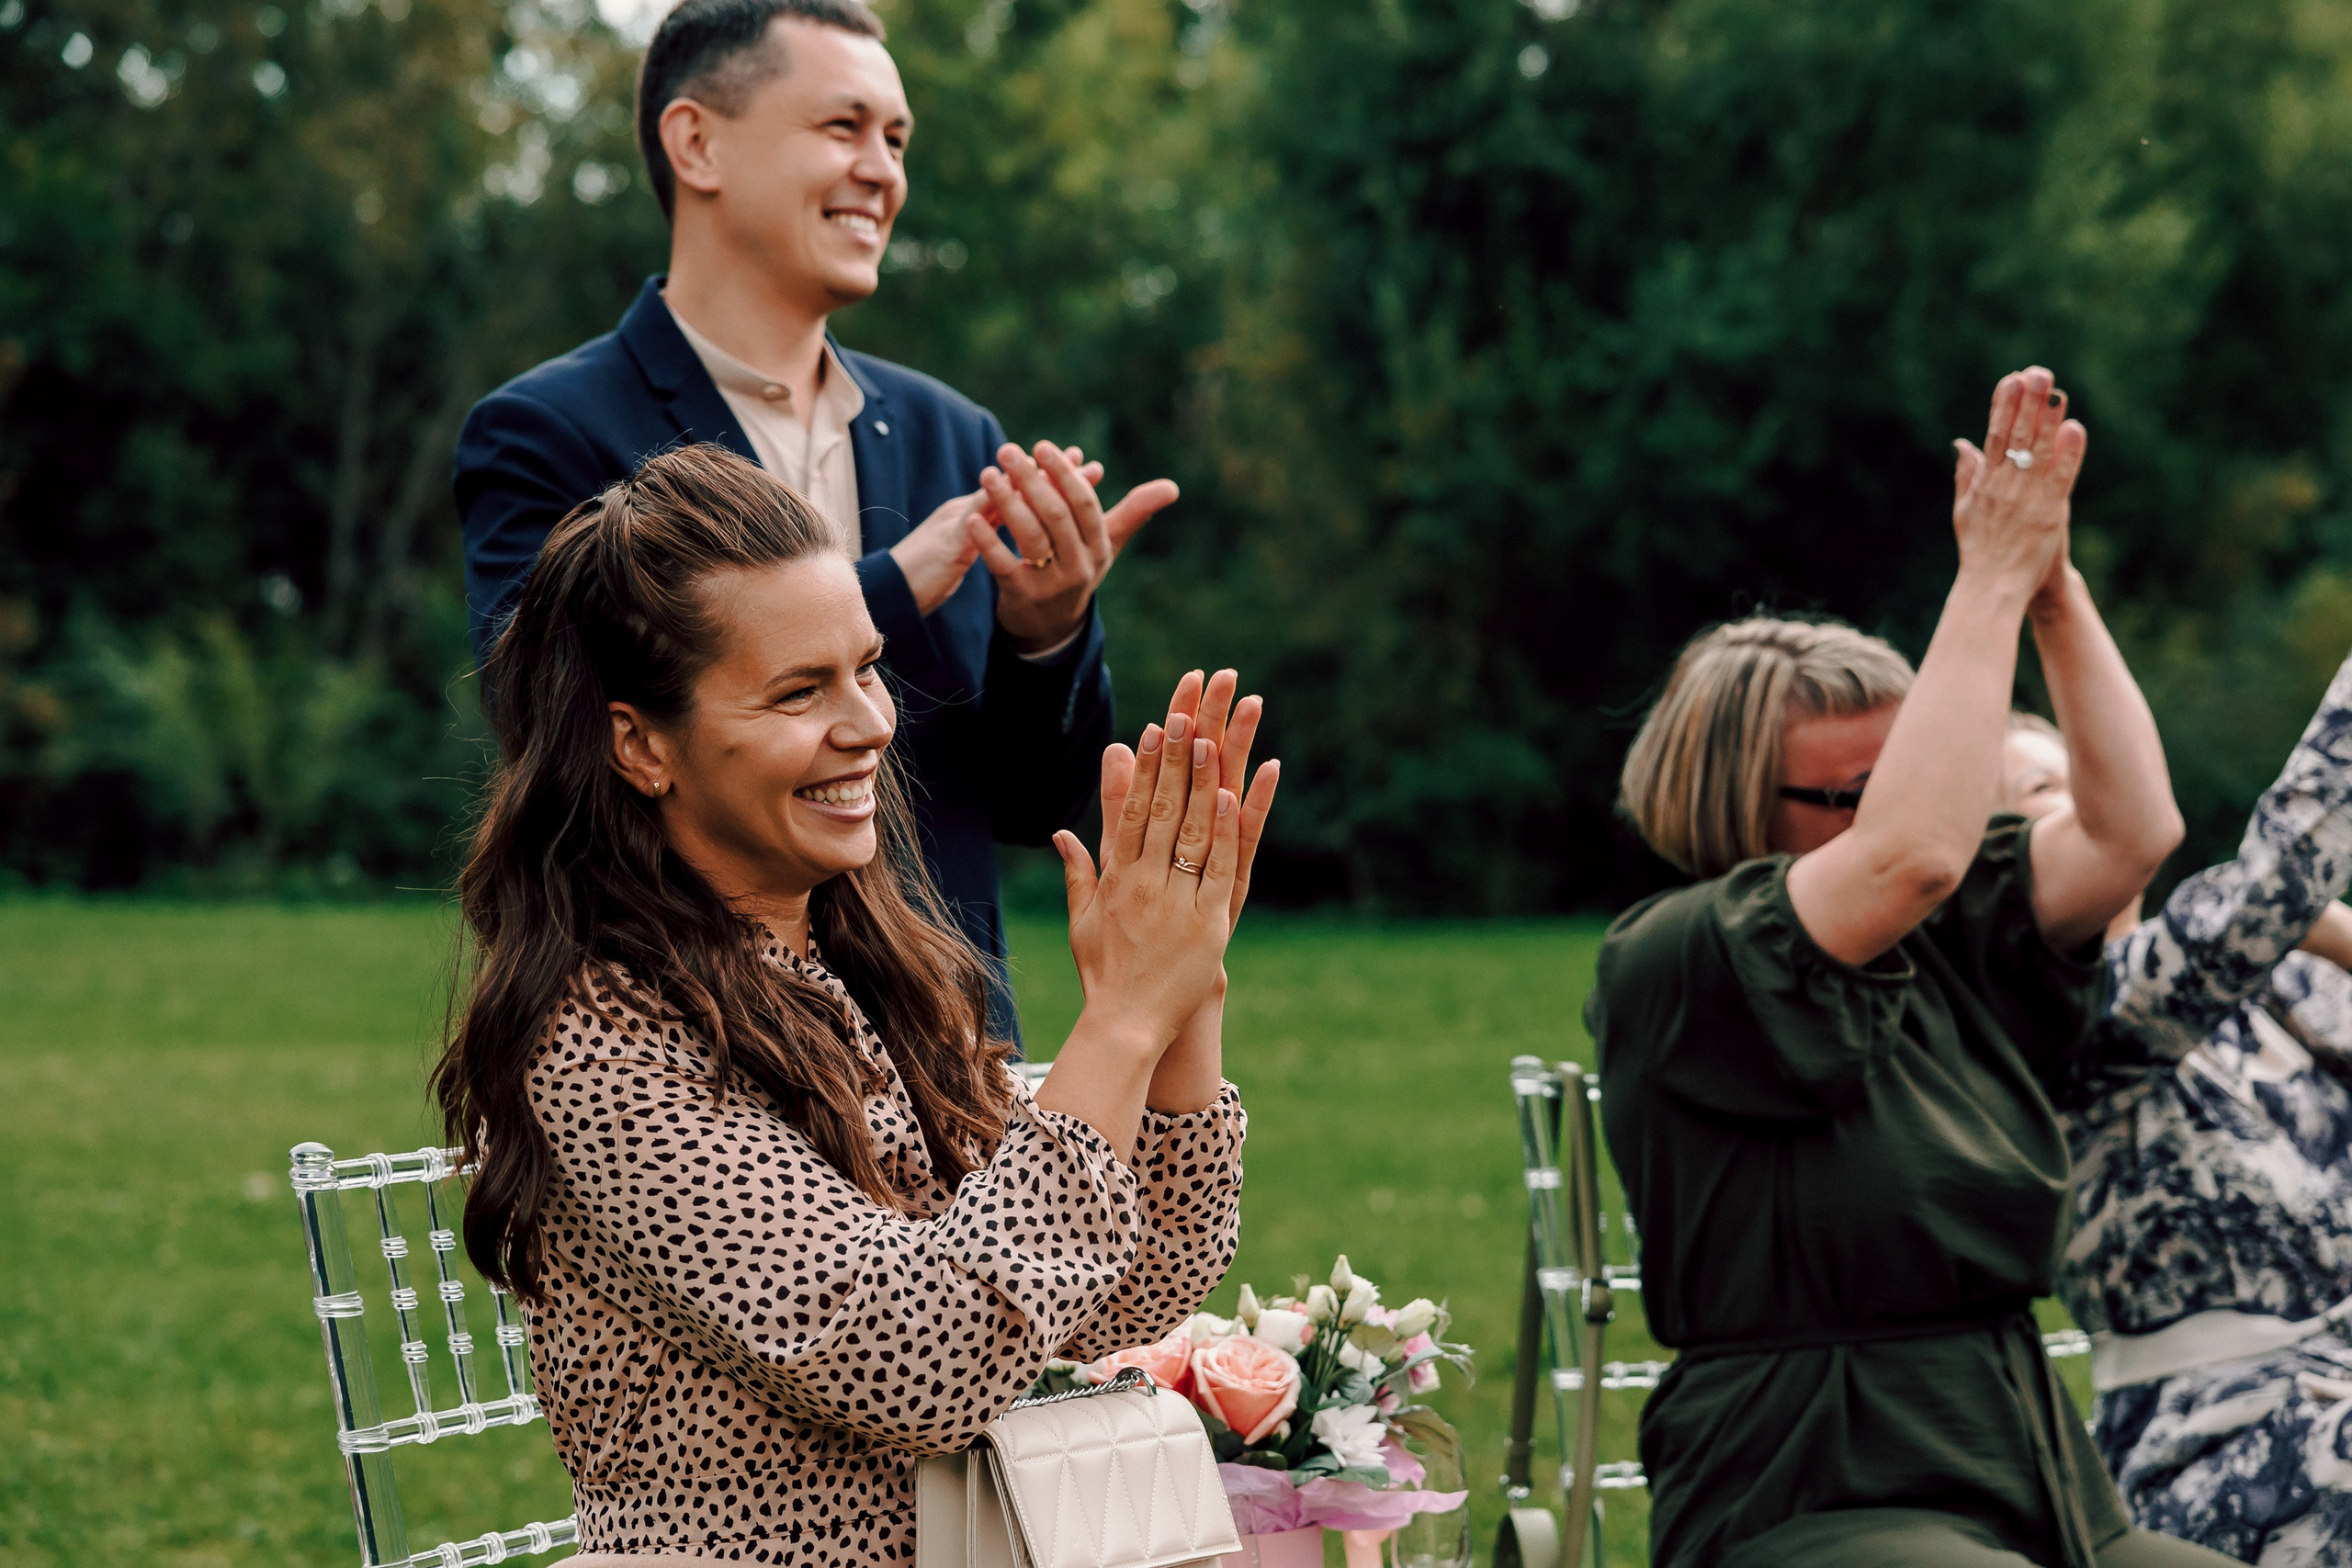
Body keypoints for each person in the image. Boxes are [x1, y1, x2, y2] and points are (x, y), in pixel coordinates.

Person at [432, 445, 1275, 1562]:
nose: (870, 724)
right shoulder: (598, 1031)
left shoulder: (862, 966)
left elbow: (1119, 1294)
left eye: (867, 670)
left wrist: (1183, 989)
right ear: (640, 744)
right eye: (797, 692)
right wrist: (1118, 1019)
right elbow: (919, 1361)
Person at [1588, 367, 2232, 1568]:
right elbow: (1916, 854)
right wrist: (1980, 578)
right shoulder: (1681, 954)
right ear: (1737, 796)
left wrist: (2048, 588)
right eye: (1856, 790)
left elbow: (2131, 831)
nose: (1918, 798)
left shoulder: (1940, 931)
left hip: (2019, 1447)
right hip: (1808, 1478)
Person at [451, 0, 1181, 1043]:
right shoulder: (547, 430)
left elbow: (1034, 808)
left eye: (895, 139)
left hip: (954, 1054)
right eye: (842, 128)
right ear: (695, 142)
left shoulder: (951, 431)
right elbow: (548, 718)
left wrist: (1048, 631)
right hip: (695, 1054)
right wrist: (884, 589)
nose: (883, 170)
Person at [1999, 666, 2352, 1565]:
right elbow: (2277, 871)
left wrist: (2329, 936)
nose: (2092, 791)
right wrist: (2284, 910)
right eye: (2046, 788)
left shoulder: (2282, 986)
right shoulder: (2054, 1021)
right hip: (2217, 1451)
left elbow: (2261, 912)